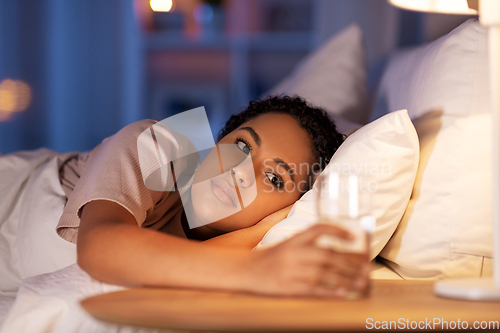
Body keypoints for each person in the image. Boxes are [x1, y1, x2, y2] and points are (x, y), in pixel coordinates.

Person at [57, 95, 369, 297]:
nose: (241, 170)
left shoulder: (245, 234)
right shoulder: (163, 144)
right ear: (218, 141)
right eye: (243, 145)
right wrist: (256, 270)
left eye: (274, 178)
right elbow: (99, 246)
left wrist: (260, 231)